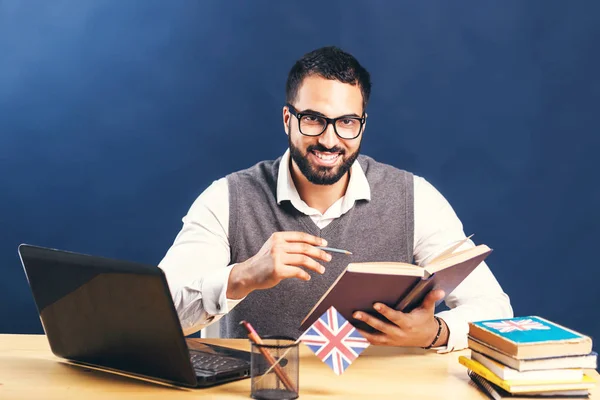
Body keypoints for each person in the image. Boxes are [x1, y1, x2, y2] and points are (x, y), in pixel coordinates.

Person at [159, 46, 513, 352]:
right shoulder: (226, 198)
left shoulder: (415, 197)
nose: (330, 140)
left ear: (362, 124)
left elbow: (494, 308)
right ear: (288, 119)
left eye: (346, 122)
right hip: (258, 391)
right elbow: (157, 312)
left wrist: (436, 332)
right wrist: (241, 276)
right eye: (313, 119)